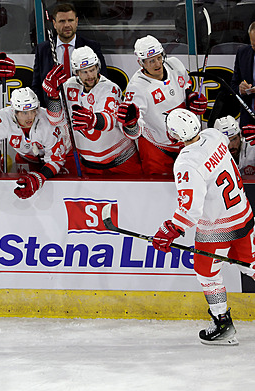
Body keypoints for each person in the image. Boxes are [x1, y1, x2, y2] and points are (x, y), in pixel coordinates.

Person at [153, 108, 255, 346]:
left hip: (216, 228)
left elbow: (190, 210)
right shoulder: (216, 136)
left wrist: (171, 230)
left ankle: (222, 323)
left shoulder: (187, 163)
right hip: (243, 214)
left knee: (207, 274)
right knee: (251, 264)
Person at [117, 35, 207, 175]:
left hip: (186, 142)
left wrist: (192, 99)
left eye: (159, 58)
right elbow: (133, 133)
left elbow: (186, 88)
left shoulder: (175, 65)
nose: (158, 64)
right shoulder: (136, 88)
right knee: (158, 192)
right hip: (157, 149)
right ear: (141, 63)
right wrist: (130, 124)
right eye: (151, 61)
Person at [59, 46, 142, 175]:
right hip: (89, 163)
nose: (90, 75)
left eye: (92, 70)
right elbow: (57, 119)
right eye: (84, 72)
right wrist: (52, 97)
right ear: (76, 72)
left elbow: (109, 119)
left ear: (98, 67)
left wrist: (93, 120)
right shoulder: (68, 87)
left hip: (121, 160)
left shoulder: (110, 88)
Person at [0, 87, 69, 198]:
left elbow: (56, 160)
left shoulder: (47, 122)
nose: (30, 116)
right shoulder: (2, 119)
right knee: (25, 190)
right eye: (24, 112)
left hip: (62, 156)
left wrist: (40, 177)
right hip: (26, 158)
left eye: (33, 111)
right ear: (14, 111)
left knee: (56, 194)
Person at [31, 3, 107, 107]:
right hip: (53, 109)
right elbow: (37, 85)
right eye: (62, 21)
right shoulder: (43, 49)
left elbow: (102, 79)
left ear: (76, 22)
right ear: (54, 23)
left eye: (70, 20)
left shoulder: (91, 47)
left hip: (84, 108)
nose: (67, 25)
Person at [230, 21, 255, 128]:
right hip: (248, 120)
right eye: (254, 45)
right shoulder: (243, 53)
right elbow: (233, 85)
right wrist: (240, 89)